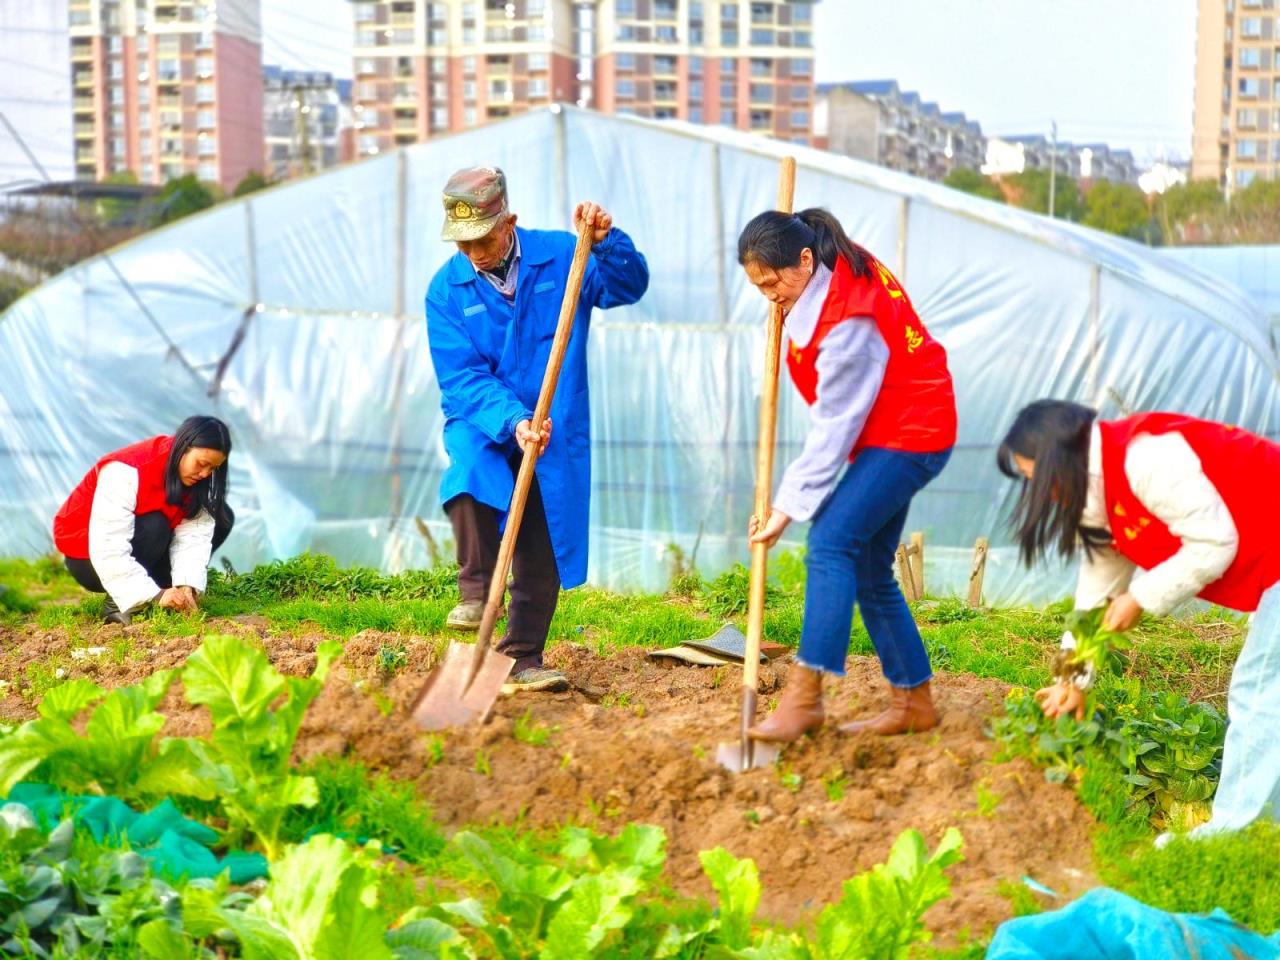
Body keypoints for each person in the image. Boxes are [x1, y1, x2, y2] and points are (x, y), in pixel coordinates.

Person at [997, 399, 1280, 843]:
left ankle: (1231, 832)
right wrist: (1071, 681)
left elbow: (1214, 544)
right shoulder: (1101, 499)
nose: (1042, 497)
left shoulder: (1145, 458)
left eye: (1038, 480)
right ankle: (1263, 829)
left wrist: (1140, 598)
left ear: (1058, 460)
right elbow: (1094, 600)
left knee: (1260, 687)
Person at [426, 166, 649, 693]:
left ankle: (522, 658)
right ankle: (477, 592)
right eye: (463, 243)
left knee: (542, 534)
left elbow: (628, 285)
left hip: (556, 418)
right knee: (472, 474)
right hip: (484, 418)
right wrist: (513, 419)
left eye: (482, 238)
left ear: (509, 223)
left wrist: (605, 243)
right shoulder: (446, 291)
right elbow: (462, 376)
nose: (474, 252)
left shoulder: (561, 255)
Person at [738, 208, 957, 742]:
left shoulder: (848, 323)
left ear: (806, 259)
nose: (770, 295)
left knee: (831, 543)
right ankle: (914, 702)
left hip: (912, 432)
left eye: (774, 281)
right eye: (758, 285)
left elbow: (835, 426)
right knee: (866, 567)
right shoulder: (825, 259)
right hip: (891, 427)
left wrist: (784, 510)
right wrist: (784, 270)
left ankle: (806, 696)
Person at [53, 416, 234, 625]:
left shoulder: (195, 480)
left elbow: (194, 535)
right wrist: (153, 595)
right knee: (155, 525)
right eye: (201, 464)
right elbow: (108, 544)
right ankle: (119, 604)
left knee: (220, 516)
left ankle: (166, 592)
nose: (204, 474)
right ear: (183, 446)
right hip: (87, 556)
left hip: (138, 547)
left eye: (212, 469)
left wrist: (187, 584)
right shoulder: (127, 469)